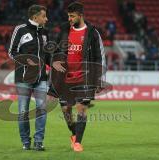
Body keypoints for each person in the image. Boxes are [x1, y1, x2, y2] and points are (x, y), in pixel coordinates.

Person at [51, 2, 106, 152]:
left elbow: (99, 56)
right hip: (65, 78)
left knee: (81, 109)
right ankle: (74, 134)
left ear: (80, 15)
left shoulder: (92, 32)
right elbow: (54, 51)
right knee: (66, 110)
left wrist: (99, 78)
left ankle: (78, 143)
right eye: (68, 16)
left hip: (84, 77)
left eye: (72, 16)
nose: (69, 18)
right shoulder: (64, 31)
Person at [8, 4, 49, 151]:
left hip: (41, 78)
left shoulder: (44, 33)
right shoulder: (20, 29)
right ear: (35, 17)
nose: (46, 19)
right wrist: (27, 61)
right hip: (24, 78)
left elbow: (47, 54)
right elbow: (11, 52)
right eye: (44, 16)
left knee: (42, 109)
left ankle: (39, 141)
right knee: (23, 112)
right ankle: (26, 142)